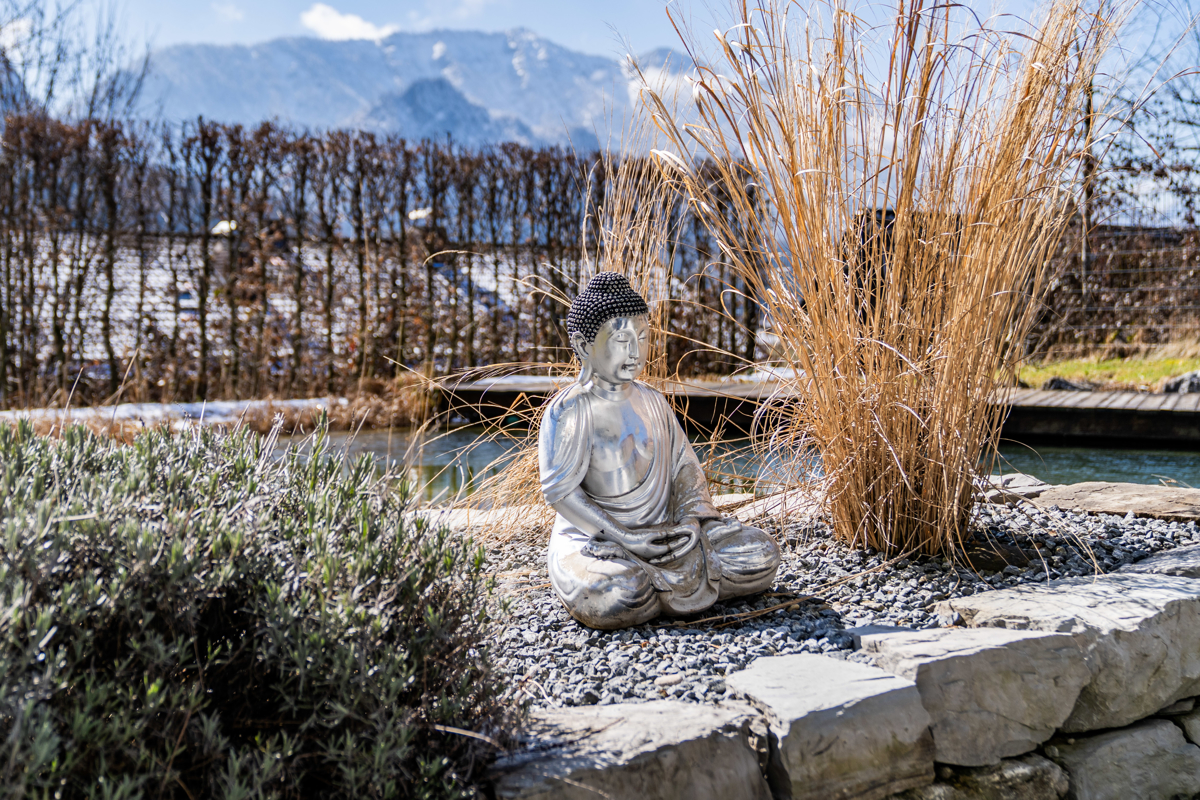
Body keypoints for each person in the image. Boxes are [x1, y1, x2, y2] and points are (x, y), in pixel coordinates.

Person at [539, 272, 781, 629]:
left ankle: (660, 588)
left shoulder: (651, 401)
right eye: (621, 340)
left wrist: (688, 523)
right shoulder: (569, 410)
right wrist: (626, 537)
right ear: (582, 344)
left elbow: (684, 468)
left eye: (642, 337)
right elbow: (560, 493)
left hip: (667, 530)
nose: (635, 352)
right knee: (615, 592)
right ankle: (648, 586)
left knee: (761, 553)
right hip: (599, 539)